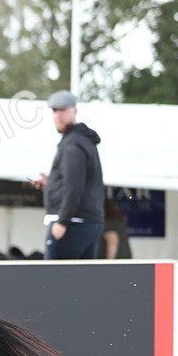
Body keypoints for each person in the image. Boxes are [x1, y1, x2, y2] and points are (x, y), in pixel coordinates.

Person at [30, 91, 105, 259]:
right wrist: (51, 184)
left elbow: (74, 187)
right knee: (81, 282)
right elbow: (77, 182)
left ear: (75, 111)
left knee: (53, 282)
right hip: (87, 222)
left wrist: (62, 222)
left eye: (63, 110)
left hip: (72, 223)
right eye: (55, 110)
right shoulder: (83, 140)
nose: (58, 115)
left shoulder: (72, 143)